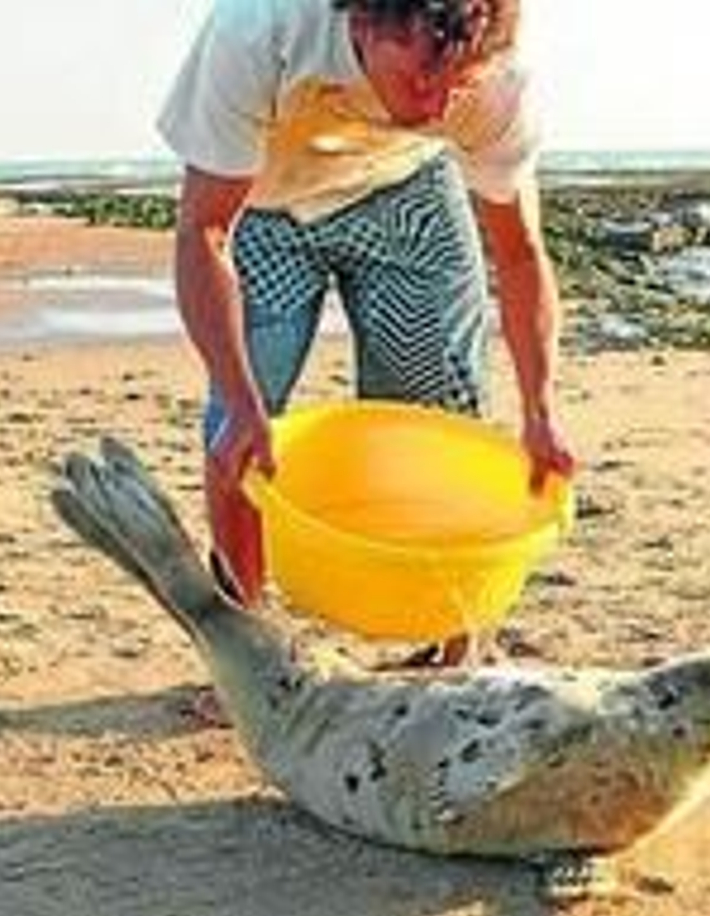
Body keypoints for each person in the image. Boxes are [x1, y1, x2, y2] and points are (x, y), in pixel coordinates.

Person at [158, 0, 575, 662]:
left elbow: (521, 255)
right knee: (239, 426)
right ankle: (248, 651)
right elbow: (203, 231)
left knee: (438, 406)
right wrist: (238, 399)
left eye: (456, 82)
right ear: (363, 26)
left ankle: (454, 651)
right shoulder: (258, 31)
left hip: (405, 189)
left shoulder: (497, 86)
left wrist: (540, 406)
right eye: (417, 78)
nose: (437, 103)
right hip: (262, 203)